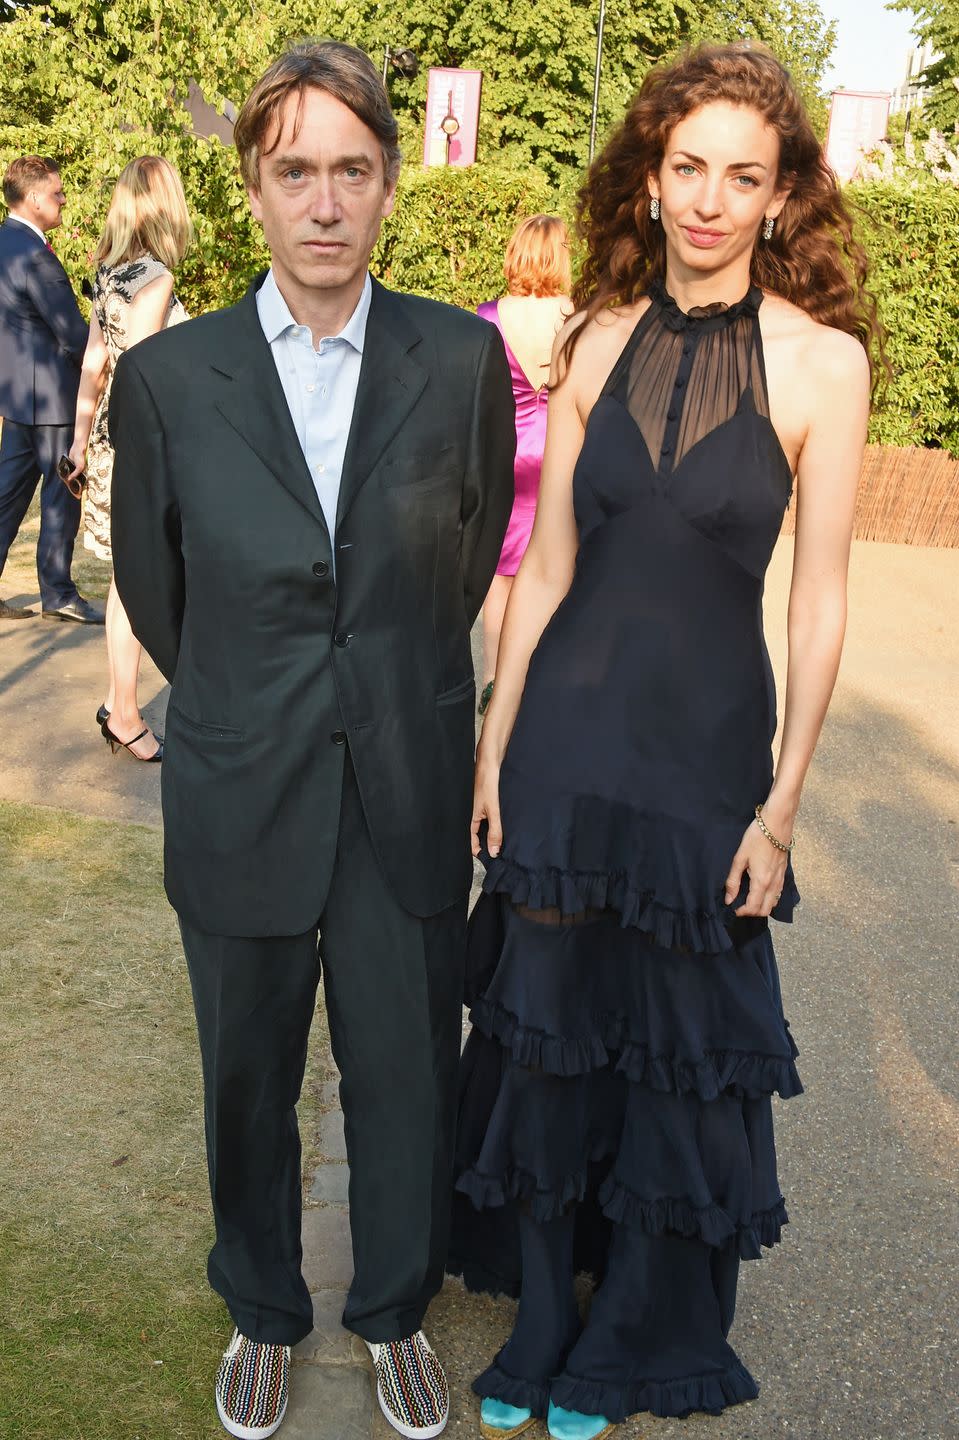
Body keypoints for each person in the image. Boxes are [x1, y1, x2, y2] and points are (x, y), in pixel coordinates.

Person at [452, 42, 877, 1440]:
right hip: (563, 752)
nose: (704, 198)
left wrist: (783, 806)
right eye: (683, 166)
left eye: (737, 176)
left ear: (776, 200)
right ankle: (545, 1327)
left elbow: (816, 602)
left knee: (674, 1052)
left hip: (704, 762)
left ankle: (636, 1335)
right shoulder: (587, 341)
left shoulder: (822, 366)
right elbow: (545, 574)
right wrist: (492, 747)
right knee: (549, 1045)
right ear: (647, 177)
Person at [109, 40, 514, 1440]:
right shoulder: (168, 380)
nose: (325, 202)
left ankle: (395, 1312)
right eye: (296, 173)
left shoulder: (461, 357)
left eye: (352, 170)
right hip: (241, 785)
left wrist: (383, 691)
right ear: (255, 191)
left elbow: (455, 569)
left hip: (402, 783)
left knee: (407, 1071)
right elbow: (163, 599)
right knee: (246, 1077)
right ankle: (264, 1314)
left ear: (389, 186)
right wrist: (254, 701)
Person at [66, 155, 191, 762]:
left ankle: (123, 708)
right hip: (140, 447)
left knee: (126, 581)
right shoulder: (155, 278)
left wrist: (76, 441)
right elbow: (141, 371)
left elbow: (96, 361)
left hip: (109, 444)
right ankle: (124, 710)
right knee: (138, 582)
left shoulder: (110, 272)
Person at [476, 216, 571, 712]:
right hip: (557, 452)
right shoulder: (574, 319)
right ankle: (537, 677)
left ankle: (493, 676)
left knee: (501, 575)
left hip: (507, 452)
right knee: (553, 564)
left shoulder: (489, 315)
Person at [0, 155, 101, 623]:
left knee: (7, 495)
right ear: (35, 197)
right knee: (63, 495)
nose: (63, 199)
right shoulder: (37, 258)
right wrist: (102, 373)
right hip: (55, 401)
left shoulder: (3, 244)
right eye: (57, 193)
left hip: (16, 397)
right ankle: (57, 593)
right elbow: (73, 335)